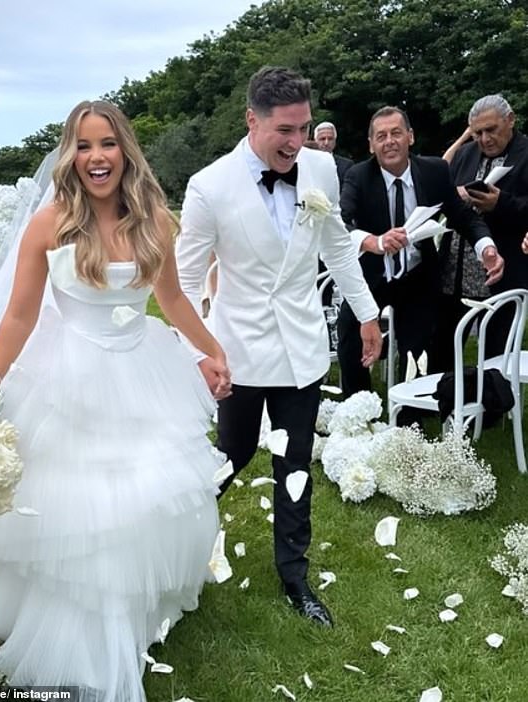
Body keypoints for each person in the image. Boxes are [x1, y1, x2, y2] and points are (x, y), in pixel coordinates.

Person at [0, 100, 231, 700]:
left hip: (142, 370)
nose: (96, 158)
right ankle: (78, 630)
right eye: (84, 146)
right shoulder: (50, 223)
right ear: (70, 156)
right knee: (75, 509)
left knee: (145, 500)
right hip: (66, 376)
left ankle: (134, 611)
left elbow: (172, 300)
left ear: (126, 150)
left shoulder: (154, 219)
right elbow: (19, 315)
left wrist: (210, 350)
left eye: (107, 144)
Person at [177, 66, 382, 628]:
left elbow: (338, 246)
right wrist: (200, 351)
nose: (296, 142)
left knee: (295, 465)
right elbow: (184, 282)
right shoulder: (209, 186)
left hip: (303, 355)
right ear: (252, 120)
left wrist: (366, 313)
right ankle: (172, 546)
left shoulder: (319, 169)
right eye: (284, 131)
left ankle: (295, 578)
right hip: (238, 356)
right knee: (230, 458)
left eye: (303, 127)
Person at [337, 106, 503, 398]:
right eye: (381, 136)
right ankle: (357, 412)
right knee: (351, 339)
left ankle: (409, 420)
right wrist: (375, 241)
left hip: (417, 276)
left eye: (396, 133)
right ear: (371, 145)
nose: (389, 141)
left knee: (419, 349)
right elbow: (342, 223)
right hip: (371, 276)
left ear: (410, 137)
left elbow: (462, 215)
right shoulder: (358, 176)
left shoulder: (434, 171)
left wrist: (486, 247)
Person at [432, 94, 528, 366]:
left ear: (510, 120)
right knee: (443, 349)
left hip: (502, 271)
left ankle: (491, 406)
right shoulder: (465, 153)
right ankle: (448, 404)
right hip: (454, 271)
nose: (485, 139)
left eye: (491, 130)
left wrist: (502, 203)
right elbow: (444, 195)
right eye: (477, 133)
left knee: (496, 355)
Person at [312, 121, 354, 187]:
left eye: (330, 139)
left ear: (335, 141)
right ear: (315, 141)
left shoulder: (346, 166)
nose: (326, 143)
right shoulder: (306, 163)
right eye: (322, 139)